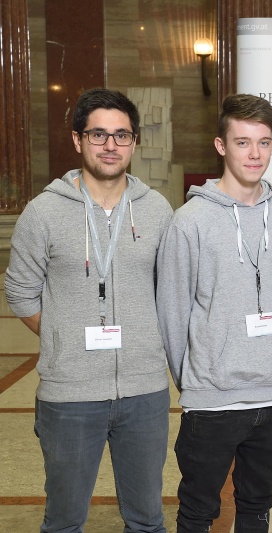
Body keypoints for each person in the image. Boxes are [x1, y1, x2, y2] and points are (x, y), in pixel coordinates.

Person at [4, 88, 173, 532]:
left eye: (122, 135)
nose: (111, 146)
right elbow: (20, 291)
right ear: (78, 140)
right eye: (99, 134)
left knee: (148, 521)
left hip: (145, 391)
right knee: (64, 521)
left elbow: (172, 290)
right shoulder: (42, 213)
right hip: (70, 395)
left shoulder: (157, 211)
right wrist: (61, 337)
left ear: (135, 142)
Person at [156, 94, 272, 532]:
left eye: (264, 142)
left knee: (257, 506)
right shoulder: (189, 220)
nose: (255, 154)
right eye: (242, 142)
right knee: (199, 512)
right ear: (221, 146)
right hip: (213, 400)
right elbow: (172, 312)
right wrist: (199, 379)